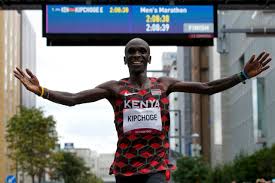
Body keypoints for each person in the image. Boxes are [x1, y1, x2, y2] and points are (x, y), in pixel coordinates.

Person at [14, 38, 272, 183]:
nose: (136, 54)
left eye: (142, 51)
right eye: (131, 52)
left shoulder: (165, 84)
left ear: (148, 59)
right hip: (125, 168)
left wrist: (241, 75)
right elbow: (73, 99)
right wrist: (41, 91)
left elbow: (207, 86)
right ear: (125, 59)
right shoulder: (114, 88)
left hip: (156, 166)